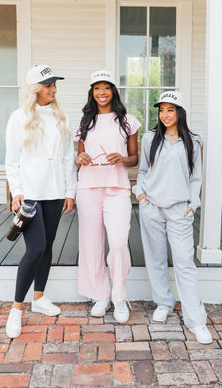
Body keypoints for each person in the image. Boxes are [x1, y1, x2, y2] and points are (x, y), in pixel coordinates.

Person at [132, 90, 212, 344]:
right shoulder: (149, 138)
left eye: (170, 109)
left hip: (180, 209)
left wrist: (193, 203)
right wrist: (140, 194)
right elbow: (143, 171)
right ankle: (163, 303)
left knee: (184, 262)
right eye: (162, 110)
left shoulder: (193, 141)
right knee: (155, 258)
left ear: (180, 112)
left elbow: (195, 178)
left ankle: (196, 320)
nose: (165, 115)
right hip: (152, 206)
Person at [5, 64, 77, 339]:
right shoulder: (19, 117)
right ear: (35, 88)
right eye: (48, 86)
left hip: (56, 192)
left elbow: (68, 158)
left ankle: (39, 298)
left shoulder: (61, 117)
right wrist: (17, 191)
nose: (53, 90)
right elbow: (12, 160)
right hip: (32, 193)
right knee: (35, 248)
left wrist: (71, 191)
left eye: (54, 85)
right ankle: (16, 309)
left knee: (48, 247)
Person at [76, 70, 141, 323]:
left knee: (117, 243)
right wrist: (78, 157)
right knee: (91, 246)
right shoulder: (85, 122)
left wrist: (122, 158)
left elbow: (134, 159)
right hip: (88, 188)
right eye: (96, 88)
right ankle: (100, 295)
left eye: (106, 87)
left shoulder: (128, 122)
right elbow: (80, 156)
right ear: (92, 93)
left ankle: (119, 296)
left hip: (117, 188)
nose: (101, 93)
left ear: (114, 90)